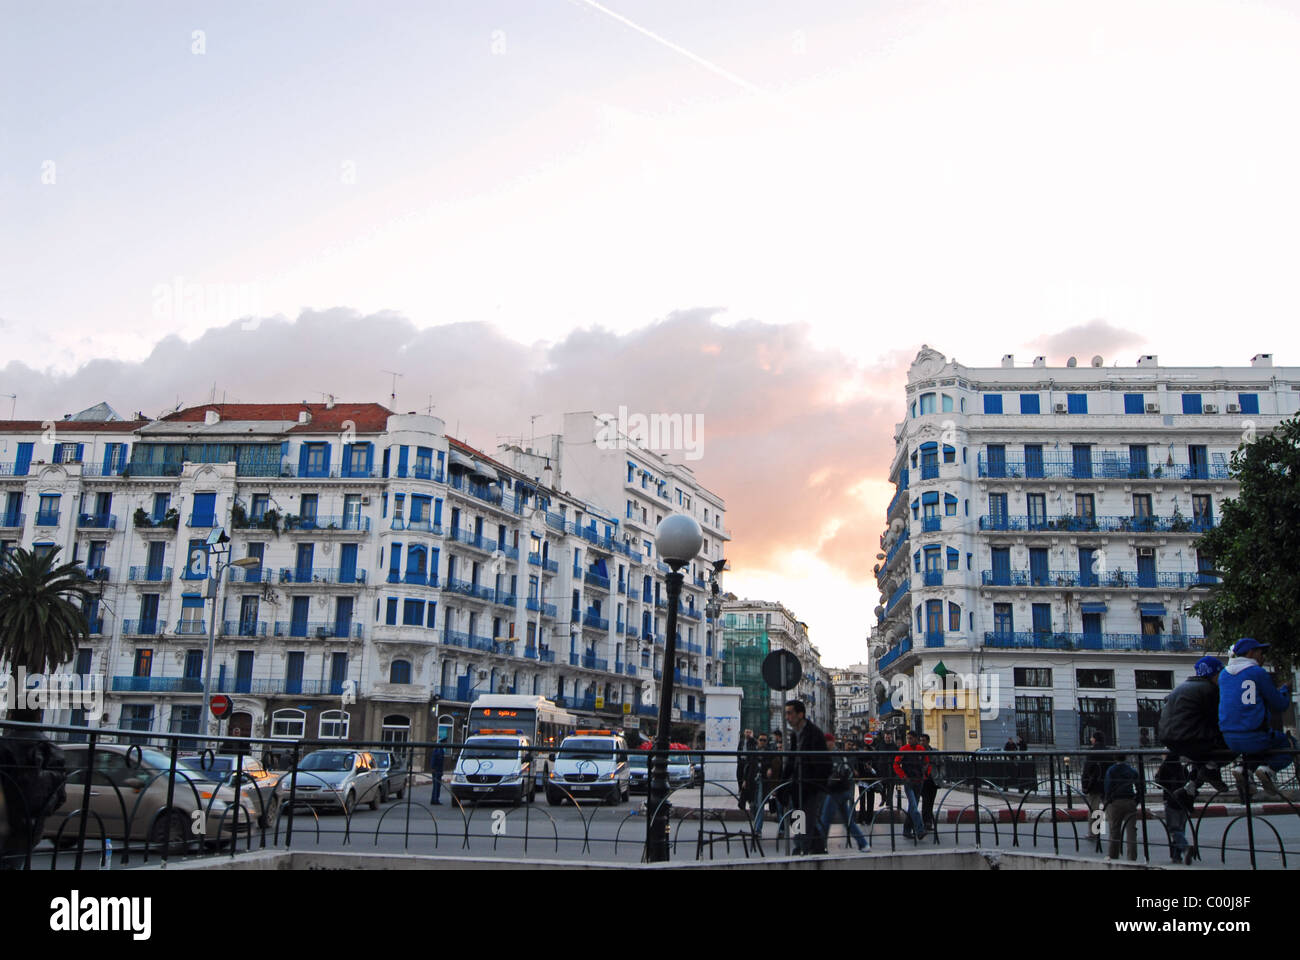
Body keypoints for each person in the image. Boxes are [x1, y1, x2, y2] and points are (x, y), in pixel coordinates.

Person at [1219, 638, 1297, 799]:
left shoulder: (1223, 675)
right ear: (1250, 653)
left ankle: (1245, 770)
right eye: (1261, 653)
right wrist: (1284, 691)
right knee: (1289, 744)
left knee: (1256, 747)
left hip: (1229, 737)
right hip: (1255, 734)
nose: (1263, 657)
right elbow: (1279, 704)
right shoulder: (1257, 672)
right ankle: (1269, 770)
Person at [1158, 655, 1230, 793]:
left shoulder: (1180, 688)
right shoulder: (1210, 690)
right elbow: (1217, 718)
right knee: (1232, 742)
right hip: (1190, 738)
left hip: (1170, 739)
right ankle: (1211, 769)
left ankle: (1191, 785)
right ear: (1216, 673)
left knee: (1201, 754)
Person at [782, 699, 830, 854]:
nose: (787, 717)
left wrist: (814, 784)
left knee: (807, 818)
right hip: (797, 784)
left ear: (800, 714)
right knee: (798, 817)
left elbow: (822, 763)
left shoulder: (814, 733)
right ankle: (811, 847)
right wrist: (782, 782)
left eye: (790, 713)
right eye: (786, 713)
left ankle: (803, 848)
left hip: (810, 786)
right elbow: (791, 760)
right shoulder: (795, 734)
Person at [819, 735, 870, 851]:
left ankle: (820, 846)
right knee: (847, 821)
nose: (826, 744)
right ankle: (863, 843)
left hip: (836, 790)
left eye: (827, 742)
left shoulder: (834, 754)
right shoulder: (837, 753)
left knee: (825, 819)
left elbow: (836, 771)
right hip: (842, 789)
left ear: (831, 742)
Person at [1155, 754, 1196, 864]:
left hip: (1171, 801)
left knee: (1174, 829)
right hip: (1183, 802)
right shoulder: (1182, 768)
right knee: (1180, 829)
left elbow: (1159, 783)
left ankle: (1185, 848)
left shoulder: (1165, 767)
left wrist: (1157, 774)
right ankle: (1176, 856)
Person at [1103, 754, 1143, 861]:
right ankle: (1132, 857)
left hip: (1115, 802)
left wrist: (1108, 799)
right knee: (1131, 831)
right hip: (1130, 801)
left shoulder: (1111, 770)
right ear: (1125, 758)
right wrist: (1136, 800)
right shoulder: (1131, 770)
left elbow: (1108, 786)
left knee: (1115, 830)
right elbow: (1140, 787)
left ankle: (1113, 855)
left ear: (1114, 758)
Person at [892, 730, 929, 840]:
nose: (909, 740)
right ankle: (920, 830)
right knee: (914, 807)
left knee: (913, 807)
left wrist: (925, 775)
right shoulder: (904, 749)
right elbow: (896, 764)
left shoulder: (921, 749)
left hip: (918, 781)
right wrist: (904, 777)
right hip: (909, 781)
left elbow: (927, 762)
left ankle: (907, 830)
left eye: (911, 738)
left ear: (916, 739)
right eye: (908, 738)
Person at [1080, 731, 1109, 814]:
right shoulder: (1109, 751)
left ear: (1095, 739)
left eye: (1092, 738)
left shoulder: (1091, 752)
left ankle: (1096, 826)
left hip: (1094, 782)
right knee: (1109, 806)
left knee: (1094, 807)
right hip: (1106, 782)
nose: (1090, 739)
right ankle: (1111, 825)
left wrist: (1085, 784)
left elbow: (1087, 769)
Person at [919, 733, 938, 830]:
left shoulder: (934, 752)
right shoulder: (918, 753)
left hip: (932, 780)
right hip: (923, 780)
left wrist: (940, 776)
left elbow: (941, 764)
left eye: (924, 740)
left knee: (930, 802)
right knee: (925, 801)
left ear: (928, 741)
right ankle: (925, 822)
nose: (922, 742)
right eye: (921, 740)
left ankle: (928, 821)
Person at [735, 728, 756, 811]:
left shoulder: (753, 741)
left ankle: (745, 799)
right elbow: (738, 750)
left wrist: (751, 738)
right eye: (746, 732)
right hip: (741, 761)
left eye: (749, 732)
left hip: (749, 762)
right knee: (739, 776)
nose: (747, 733)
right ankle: (741, 791)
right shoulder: (742, 741)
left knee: (746, 778)